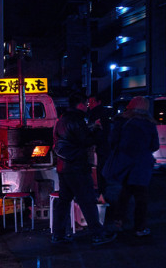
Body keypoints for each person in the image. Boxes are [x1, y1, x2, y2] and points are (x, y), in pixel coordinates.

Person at [52, 92, 116, 245]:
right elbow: (85, 140)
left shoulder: (62, 120)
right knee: (87, 200)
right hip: (77, 166)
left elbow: (70, 138)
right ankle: (97, 234)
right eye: (86, 104)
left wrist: (91, 128)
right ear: (80, 105)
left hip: (63, 166)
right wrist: (98, 131)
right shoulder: (77, 119)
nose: (87, 107)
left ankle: (58, 234)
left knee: (64, 201)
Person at [103, 96, 159, 237]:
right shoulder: (149, 124)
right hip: (141, 165)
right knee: (141, 197)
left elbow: (113, 141)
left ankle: (118, 221)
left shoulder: (121, 121)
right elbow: (155, 145)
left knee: (124, 193)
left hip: (125, 163)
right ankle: (139, 228)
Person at [88, 94, 114, 197]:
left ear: (99, 102)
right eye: (89, 102)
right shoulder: (104, 113)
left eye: (92, 102)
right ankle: (102, 191)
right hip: (104, 146)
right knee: (102, 169)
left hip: (101, 146)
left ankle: (102, 192)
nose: (90, 105)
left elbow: (101, 131)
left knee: (101, 169)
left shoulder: (97, 113)